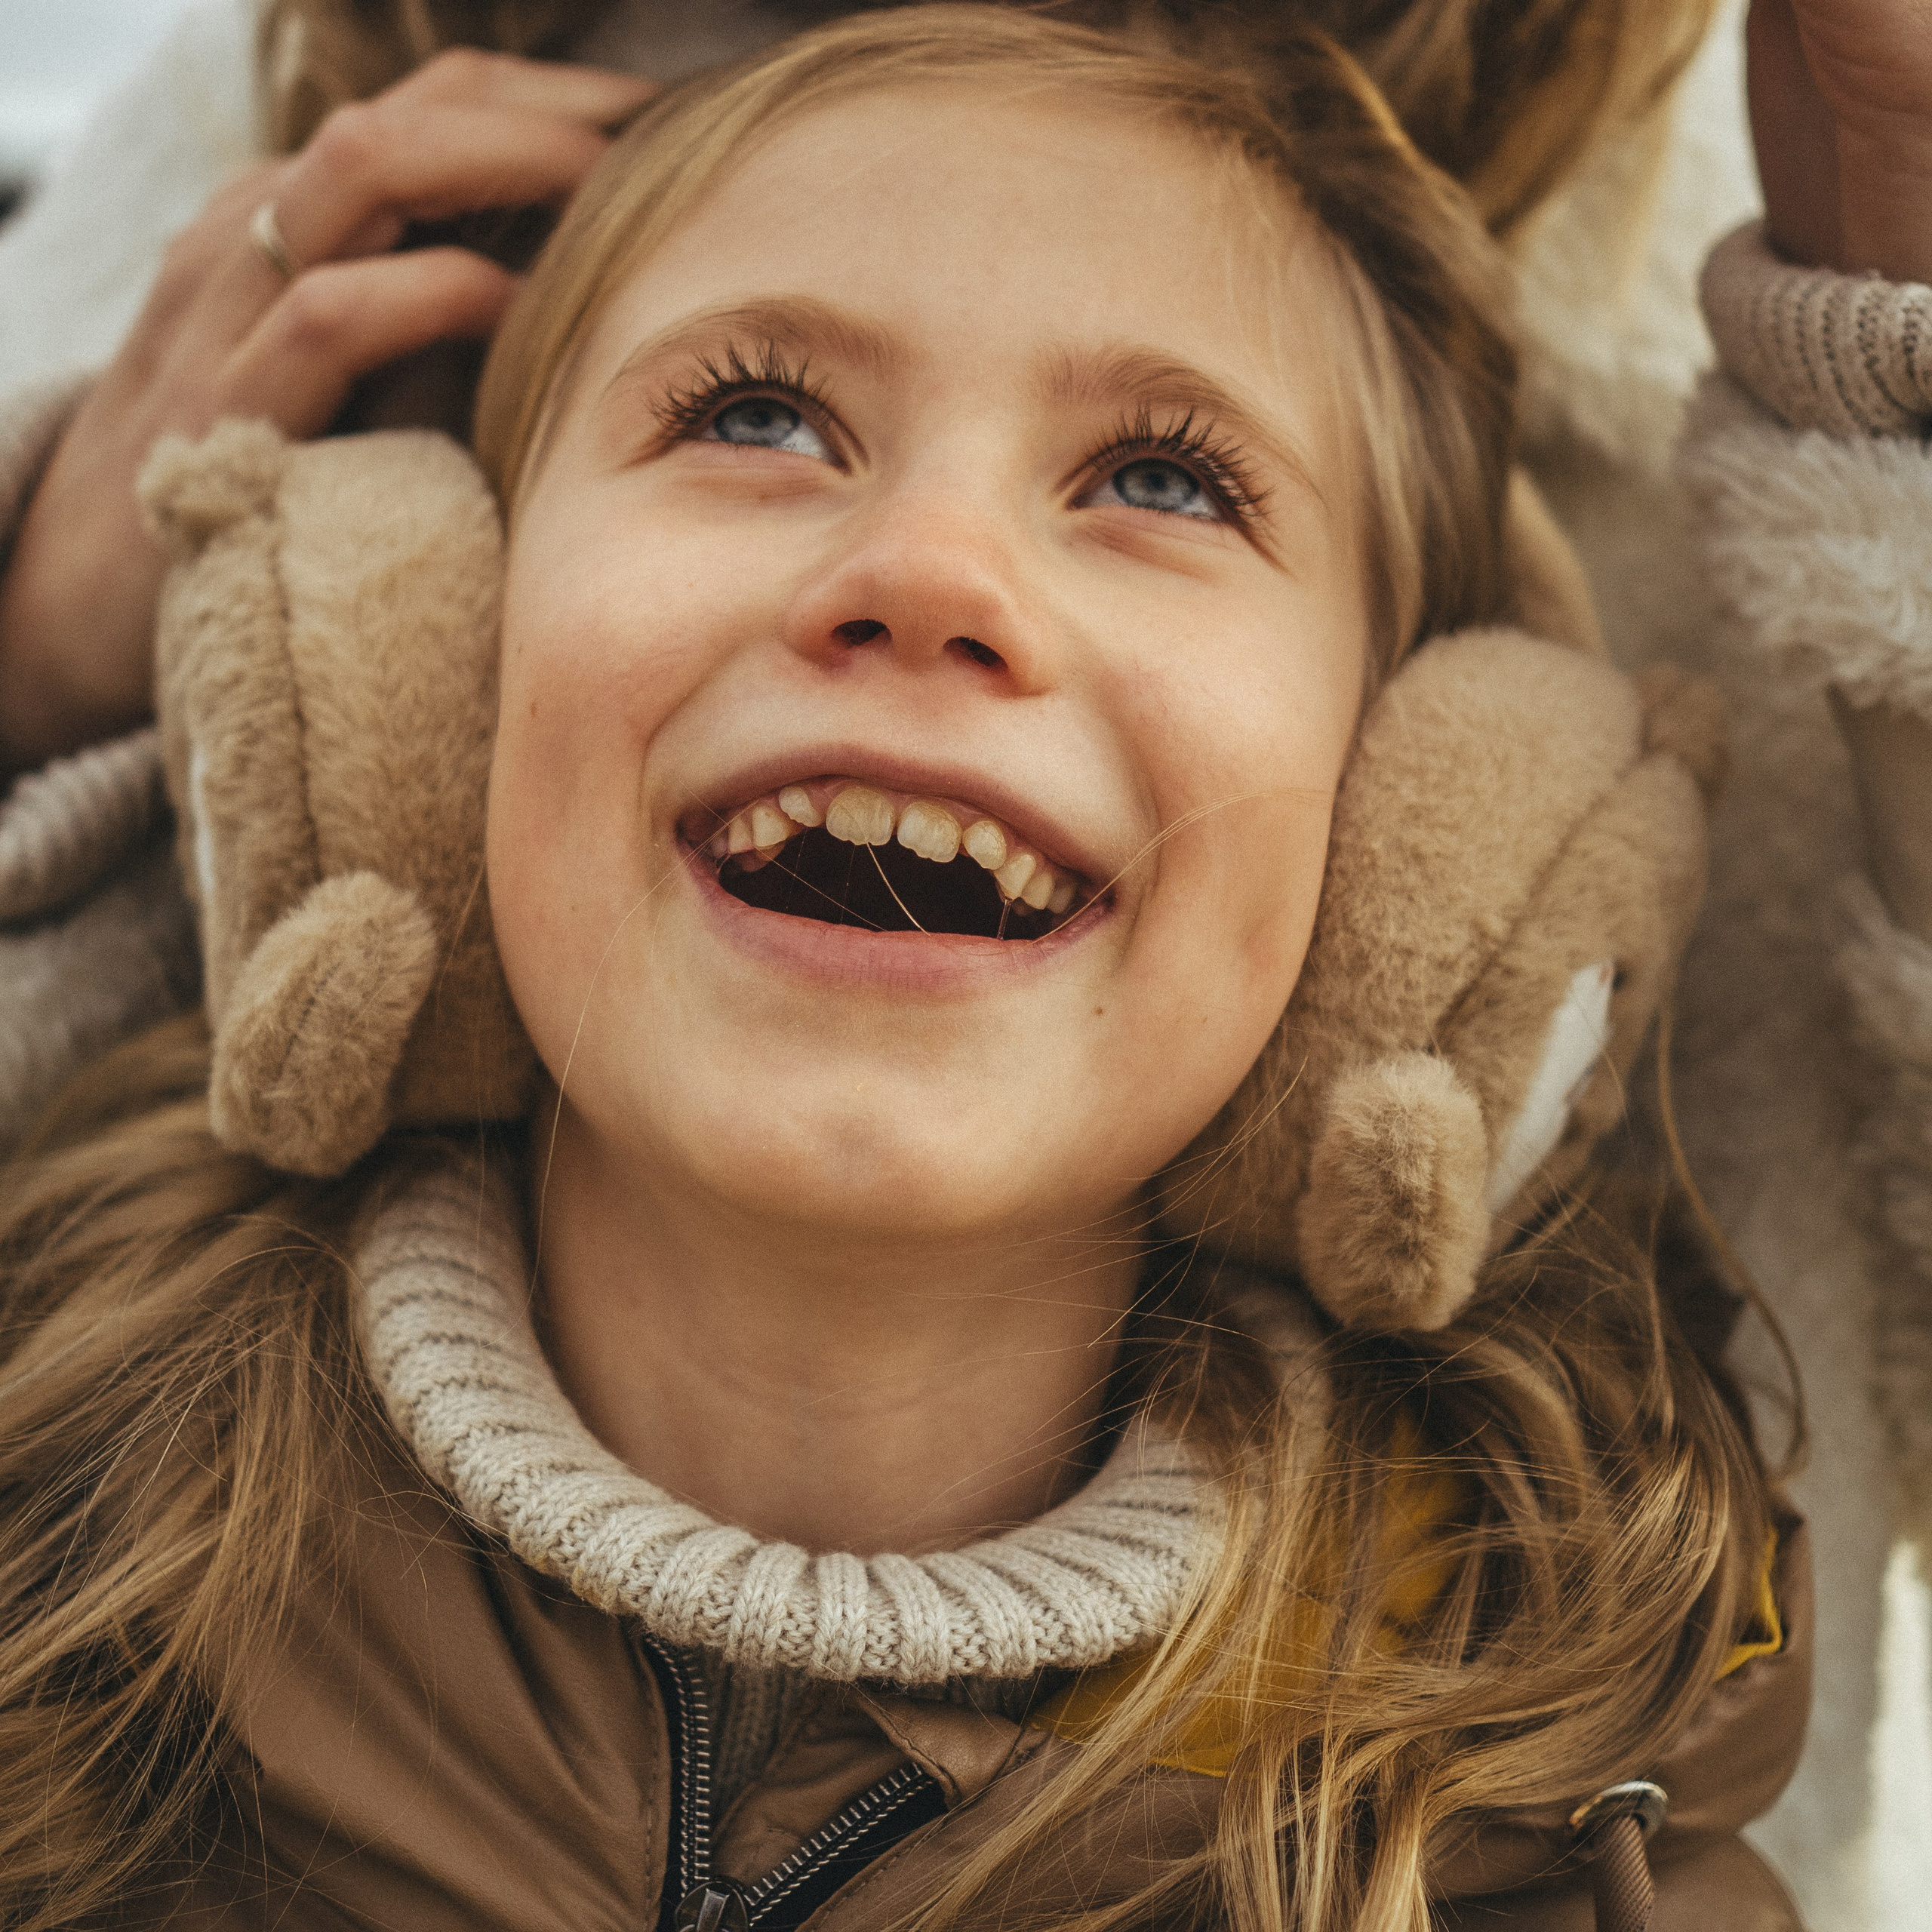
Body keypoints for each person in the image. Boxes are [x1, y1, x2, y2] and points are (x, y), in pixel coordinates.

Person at [0, 0, 1924, 1924]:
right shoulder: (53, 1557)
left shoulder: (1572, 1849)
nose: (926, 573)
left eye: (1161, 479)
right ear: (419, 681)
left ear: (1409, 839)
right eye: (754, 415)